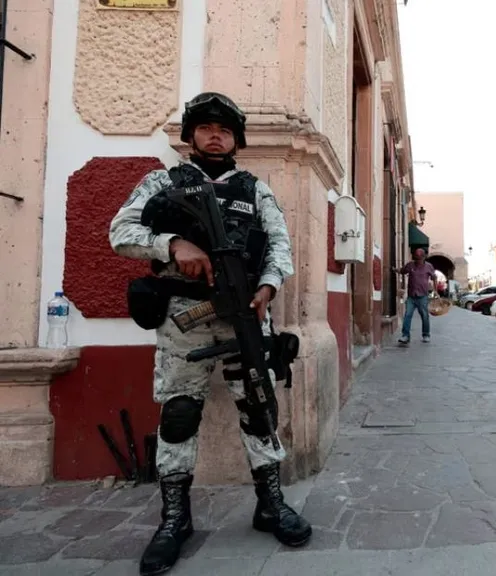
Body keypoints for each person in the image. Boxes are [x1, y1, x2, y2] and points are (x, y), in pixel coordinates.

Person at [109, 92, 311, 576]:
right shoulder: (163, 182)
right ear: (191, 136)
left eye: (224, 130)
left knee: (259, 407)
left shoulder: (255, 189)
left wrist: (268, 285)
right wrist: (172, 244)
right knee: (180, 413)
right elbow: (121, 232)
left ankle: (270, 503)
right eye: (205, 128)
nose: (215, 136)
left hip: (246, 311)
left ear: (236, 139)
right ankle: (175, 518)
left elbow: (280, 245)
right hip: (186, 314)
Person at [392, 248, 437, 344]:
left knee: (425, 316)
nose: (417, 260)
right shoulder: (410, 265)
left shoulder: (429, 266)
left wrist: (436, 290)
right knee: (407, 315)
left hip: (423, 296)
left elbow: (434, 277)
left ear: (424, 257)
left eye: (419, 258)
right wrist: (395, 270)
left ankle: (426, 334)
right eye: (416, 258)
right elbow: (403, 271)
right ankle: (405, 336)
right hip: (411, 296)